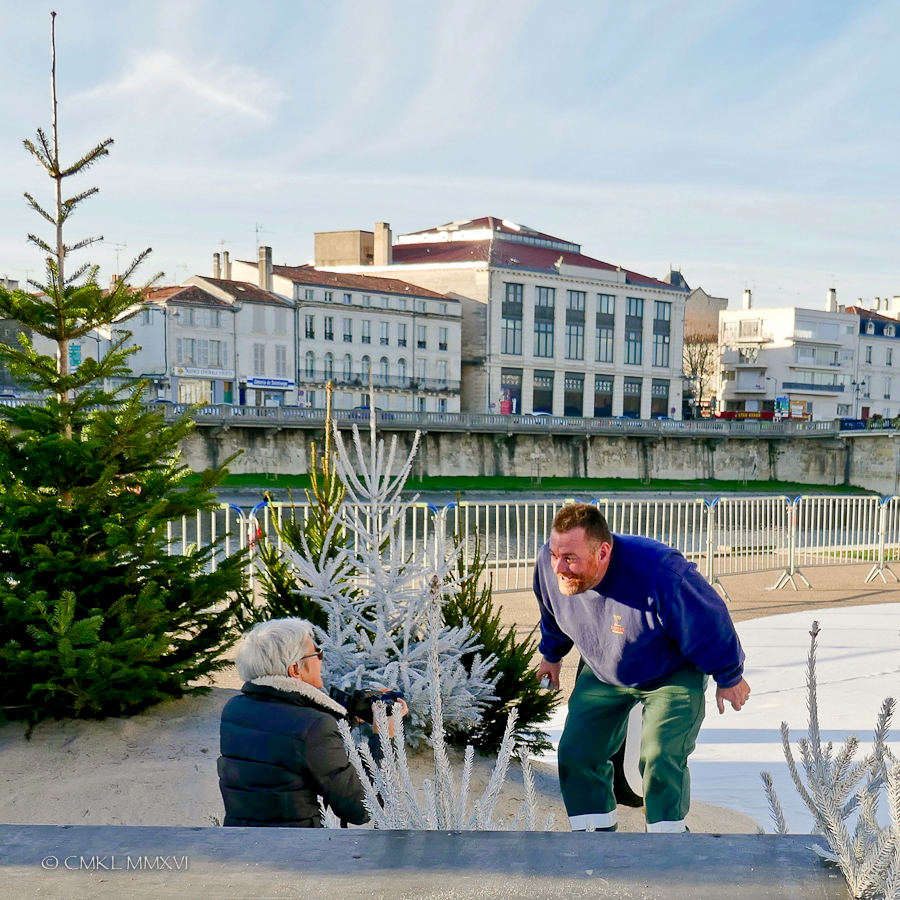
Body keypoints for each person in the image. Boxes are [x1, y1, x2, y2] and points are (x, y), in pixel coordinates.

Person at [535, 504, 750, 833]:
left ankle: (666, 846)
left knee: (660, 757)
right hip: (605, 666)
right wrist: (551, 655)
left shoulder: (660, 572)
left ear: (602, 552)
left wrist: (729, 675)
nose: (558, 567)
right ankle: (594, 841)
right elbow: (553, 611)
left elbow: (710, 621)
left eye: (570, 558)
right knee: (577, 753)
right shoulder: (549, 566)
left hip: (670, 670)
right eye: (554, 554)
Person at [218, 617, 406, 827]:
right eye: (317, 653)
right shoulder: (315, 727)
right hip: (298, 844)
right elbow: (362, 809)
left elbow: (285, 740)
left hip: (241, 838)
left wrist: (348, 719)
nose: (321, 659)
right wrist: (384, 739)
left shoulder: (234, 709)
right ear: (295, 670)